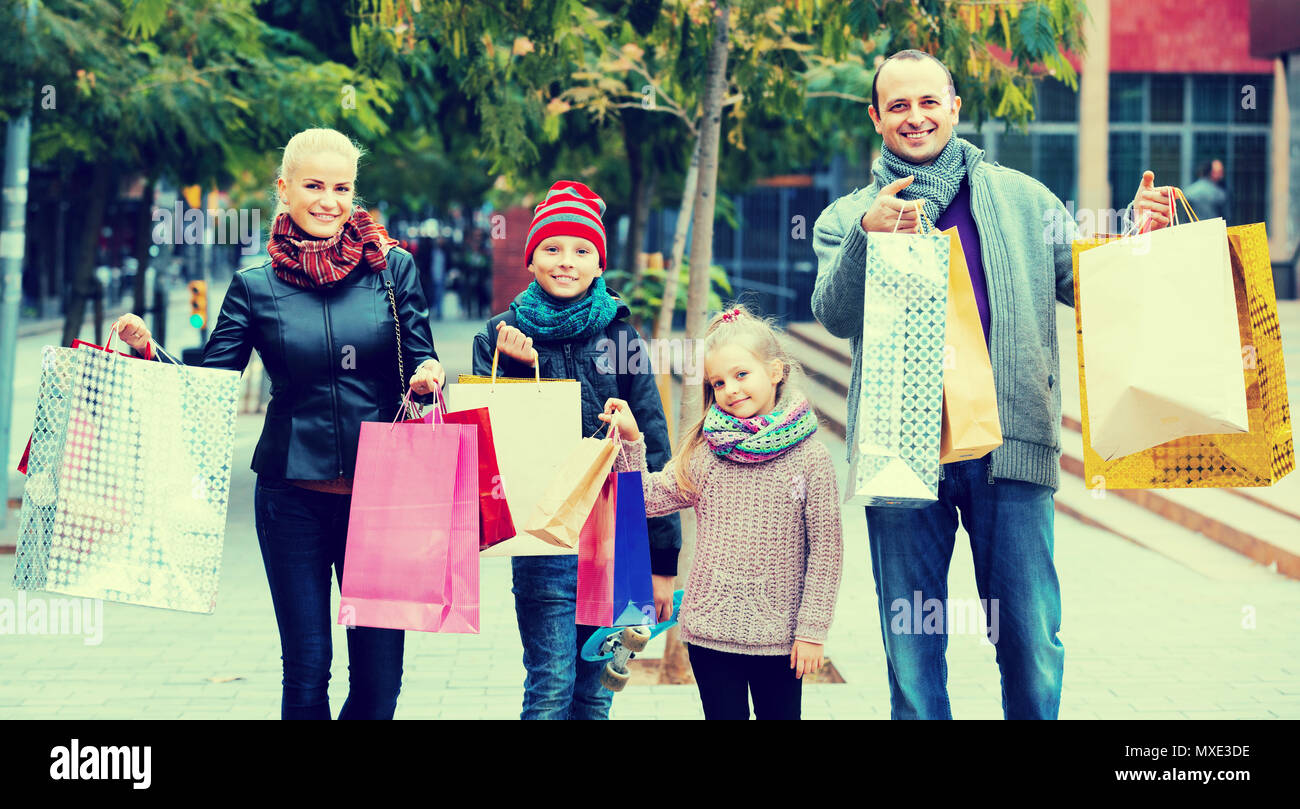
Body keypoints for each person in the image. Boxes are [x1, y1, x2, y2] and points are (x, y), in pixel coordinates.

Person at [811, 49, 1177, 720]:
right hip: (899, 457)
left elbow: (1091, 289)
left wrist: (1140, 241)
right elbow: (832, 315)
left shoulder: (1023, 198)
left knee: (1029, 642)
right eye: (898, 105)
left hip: (1009, 448)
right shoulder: (847, 215)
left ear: (954, 106)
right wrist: (867, 237)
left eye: (929, 101)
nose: (915, 117)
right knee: (912, 648)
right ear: (875, 118)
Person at [113, 127, 445, 720]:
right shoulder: (254, 285)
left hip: (383, 498)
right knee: (306, 672)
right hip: (290, 497)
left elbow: (420, 354)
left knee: (378, 684)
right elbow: (212, 386)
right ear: (284, 189)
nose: (329, 200)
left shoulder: (392, 269)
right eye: (313, 185)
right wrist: (150, 351)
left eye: (342, 187)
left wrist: (428, 374)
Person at [472, 180, 680, 720]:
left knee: (595, 694)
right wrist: (518, 375)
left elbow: (652, 450)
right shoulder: (499, 335)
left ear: (598, 262)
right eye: (553, 248)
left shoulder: (620, 337)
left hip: (617, 540)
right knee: (550, 687)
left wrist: (662, 561)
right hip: (543, 541)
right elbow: (486, 450)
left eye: (582, 250)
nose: (567, 262)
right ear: (532, 257)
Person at [600, 304, 843, 720]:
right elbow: (643, 499)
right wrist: (631, 441)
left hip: (782, 637)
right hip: (710, 633)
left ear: (776, 371)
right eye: (718, 383)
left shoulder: (811, 459)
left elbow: (826, 552)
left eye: (741, 375)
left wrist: (812, 632)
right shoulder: (706, 454)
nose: (730, 389)